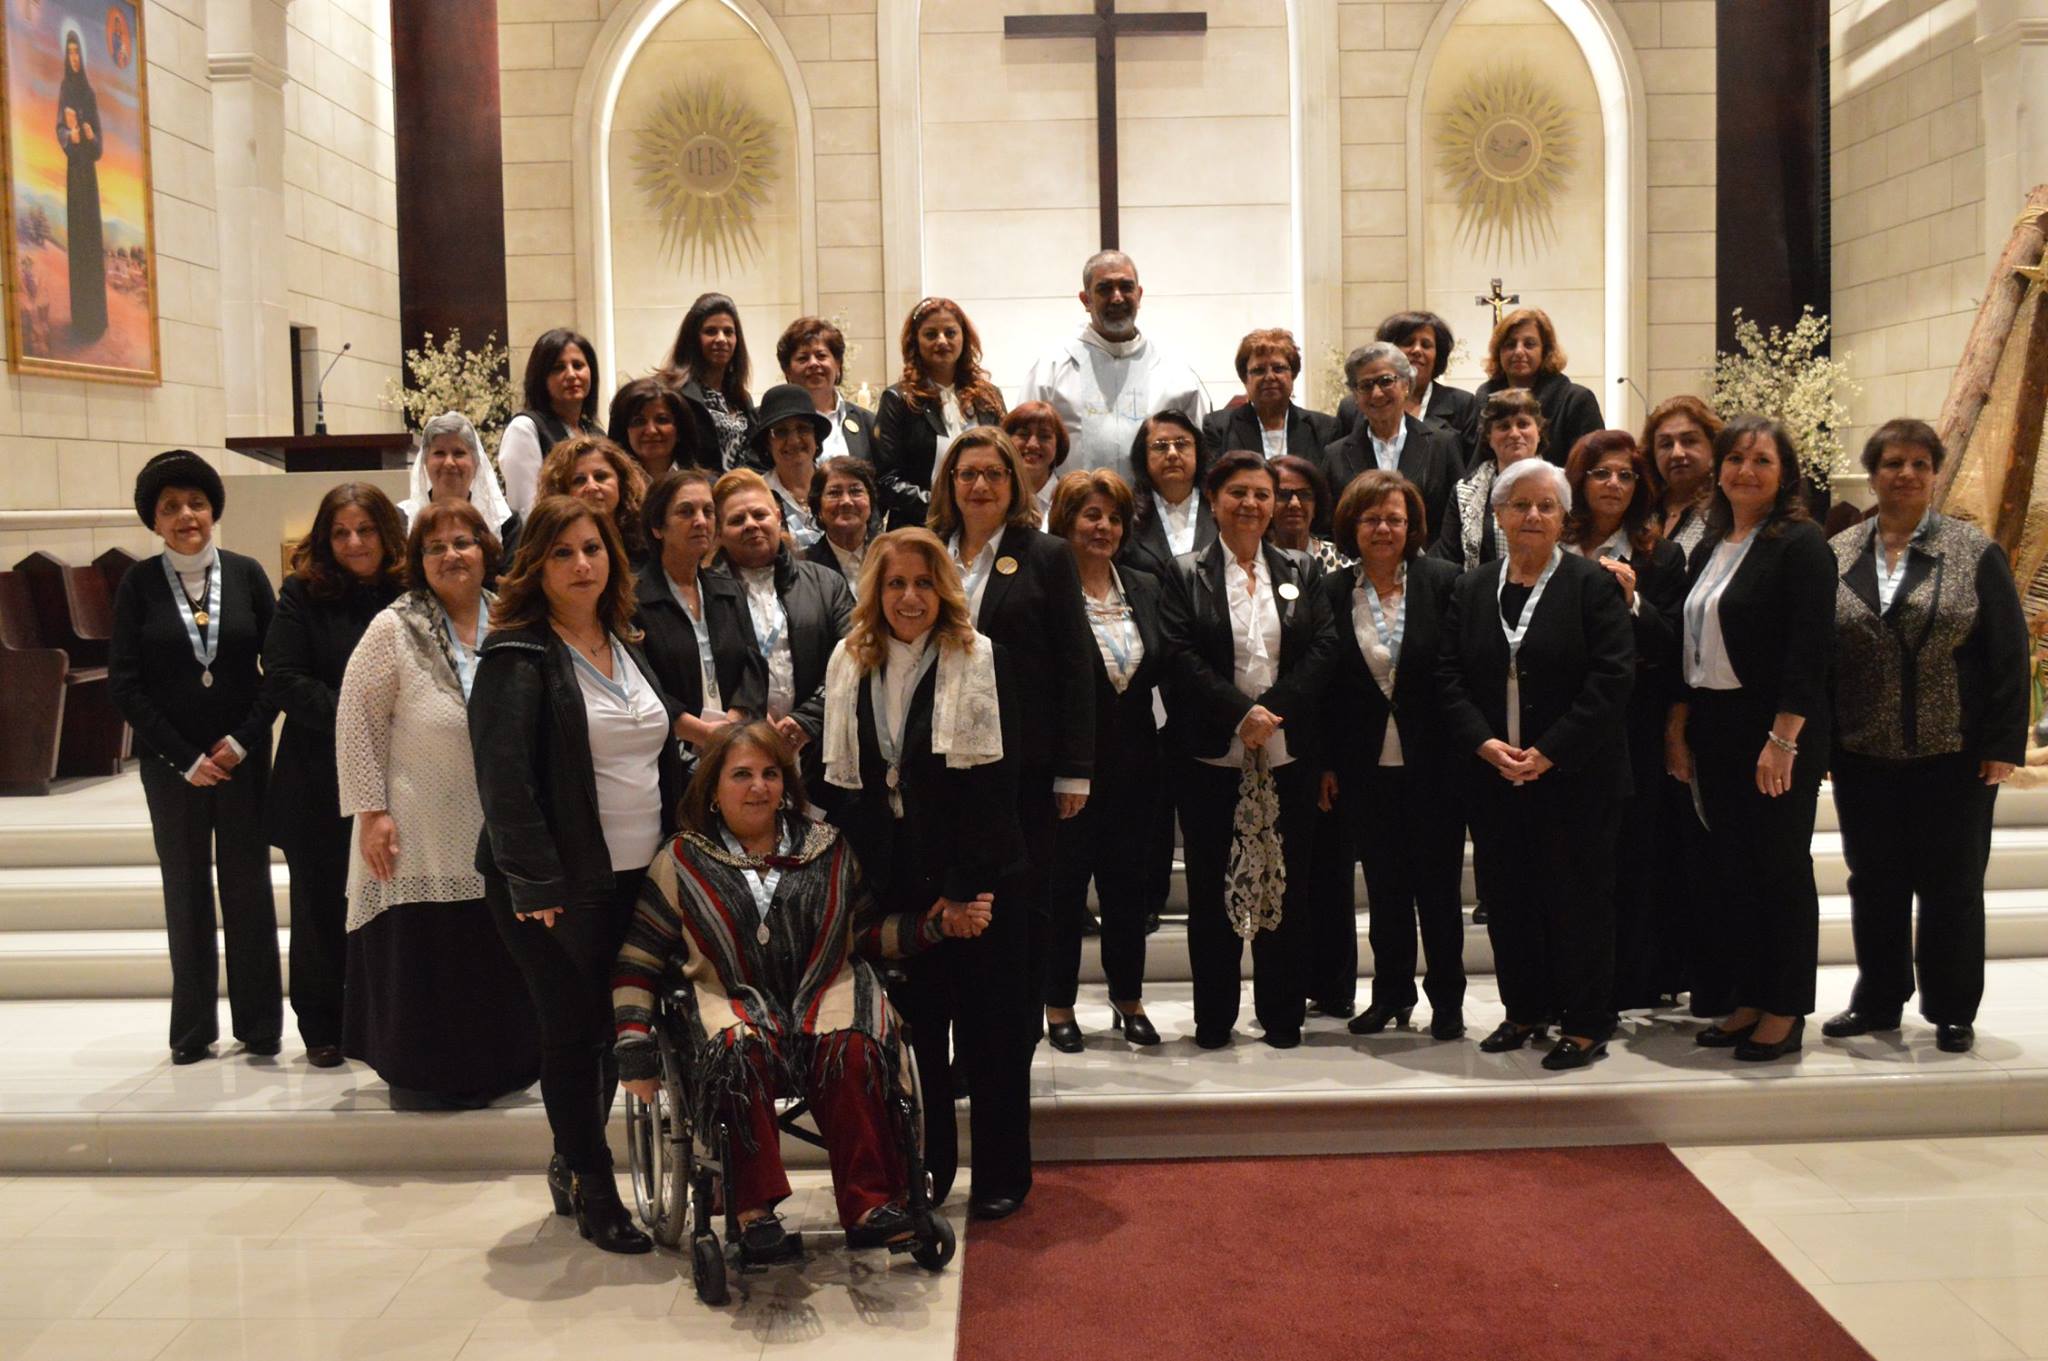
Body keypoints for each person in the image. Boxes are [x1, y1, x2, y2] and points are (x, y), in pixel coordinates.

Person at [617, 722, 990, 1255]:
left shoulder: (827, 848)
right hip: (733, 1002)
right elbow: (639, 959)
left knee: (856, 1048)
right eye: (741, 774)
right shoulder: (681, 860)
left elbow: (862, 932)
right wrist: (633, 1044)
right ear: (712, 789)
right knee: (736, 1053)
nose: (759, 787)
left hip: (824, 993)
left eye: (770, 774)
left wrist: (934, 926)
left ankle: (870, 1204)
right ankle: (752, 1212)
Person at [469, 495, 687, 1253]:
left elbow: (659, 736)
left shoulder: (628, 639)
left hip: (638, 873)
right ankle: (595, 1188)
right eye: (562, 553)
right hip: (555, 886)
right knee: (577, 1032)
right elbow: (502, 780)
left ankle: (572, 1160)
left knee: (614, 1024)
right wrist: (535, 884)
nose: (581, 564)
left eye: (592, 548)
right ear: (536, 565)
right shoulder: (517, 654)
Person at [822, 528, 1032, 1220]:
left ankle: (1002, 1172)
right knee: (915, 1039)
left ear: (942, 588)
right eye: (894, 584)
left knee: (990, 1034)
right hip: (895, 878)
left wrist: (963, 887)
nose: (908, 597)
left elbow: (997, 783)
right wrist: (873, 881)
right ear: (874, 591)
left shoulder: (978, 658)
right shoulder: (849, 661)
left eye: (921, 583)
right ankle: (931, 1168)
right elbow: (843, 784)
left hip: (973, 873)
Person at [1824, 419, 2028, 1055]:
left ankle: (1951, 1008)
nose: (1905, 475)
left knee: (1952, 886)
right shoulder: (1840, 552)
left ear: (1935, 474)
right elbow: (1826, 655)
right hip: (1865, 752)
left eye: (1918, 464)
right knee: (1874, 881)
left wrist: (2001, 744)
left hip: (1955, 753)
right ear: (1873, 473)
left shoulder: (1973, 551)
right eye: (1891, 463)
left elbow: (2008, 653)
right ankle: (1879, 1000)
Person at [335, 500, 541, 1108]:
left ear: (486, 549)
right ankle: (426, 1074)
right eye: (435, 547)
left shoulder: (513, 618)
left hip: (497, 816)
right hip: (418, 818)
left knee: (492, 943)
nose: (451, 555)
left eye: (463, 542)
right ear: (418, 561)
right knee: (432, 947)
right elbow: (356, 722)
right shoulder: (393, 627)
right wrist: (372, 812)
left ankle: (503, 1065)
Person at [1439, 458, 1633, 1070]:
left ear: (1563, 518)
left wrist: (1550, 751)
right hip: (1496, 777)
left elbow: (1612, 679)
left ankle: (1585, 1020)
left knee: (1578, 900)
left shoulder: (1591, 584)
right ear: (1497, 515)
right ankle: (1524, 1010)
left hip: (1576, 776)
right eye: (1519, 505)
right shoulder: (1471, 589)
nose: (1532, 516)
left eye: (1546, 506)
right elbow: (1446, 677)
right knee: (1510, 898)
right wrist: (1484, 744)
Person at [1665, 417, 1835, 1063]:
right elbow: (1692, 646)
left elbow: (1810, 651)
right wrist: (1679, 730)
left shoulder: (1800, 543)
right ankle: (1749, 996)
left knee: (1780, 869)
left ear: (1784, 473)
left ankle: (1785, 1008)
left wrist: (1784, 739)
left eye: (1761, 459)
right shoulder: (1713, 543)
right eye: (1735, 457)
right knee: (1734, 870)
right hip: (1717, 725)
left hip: (1774, 729)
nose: (1745, 470)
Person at [108, 451, 282, 1065]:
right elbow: (125, 684)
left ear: (214, 510)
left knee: (248, 887)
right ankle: (192, 1032)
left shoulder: (246, 574)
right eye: (171, 507)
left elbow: (278, 670)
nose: (187, 516)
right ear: (154, 521)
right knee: (185, 889)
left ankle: (260, 1026)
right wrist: (184, 757)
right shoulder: (138, 585)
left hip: (239, 757)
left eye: (197, 504)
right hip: (173, 765)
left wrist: (241, 741)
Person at [1159, 449, 1336, 1050]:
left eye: (1264, 494)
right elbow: (1177, 654)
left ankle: (1282, 1015)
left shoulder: (1301, 569)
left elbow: (1323, 650)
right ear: (1213, 501)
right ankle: (1214, 1019)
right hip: (1211, 758)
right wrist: (1241, 714)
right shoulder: (1184, 573)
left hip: (1287, 756)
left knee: (1283, 887)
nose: (1254, 505)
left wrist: (1272, 711)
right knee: (1214, 890)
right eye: (1239, 493)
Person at [930, 427, 1097, 1012]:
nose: (980, 485)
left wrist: (1075, 769)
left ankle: (1013, 1031)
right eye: (967, 473)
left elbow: (1077, 663)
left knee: (1018, 903)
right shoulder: (928, 548)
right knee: (949, 899)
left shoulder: (1046, 554)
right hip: (939, 758)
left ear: (1015, 483)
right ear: (949, 483)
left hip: (1023, 761)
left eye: (994, 474)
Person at [263, 483, 406, 1068]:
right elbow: (284, 678)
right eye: (341, 532)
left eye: (365, 530)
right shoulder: (301, 593)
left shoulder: (408, 591)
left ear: (385, 534)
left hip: (398, 774)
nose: (353, 542)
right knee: (321, 908)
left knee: (390, 900)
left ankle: (385, 1019)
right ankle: (322, 1025)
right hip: (318, 777)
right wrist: (359, 719)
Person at [1321, 471, 1466, 1040]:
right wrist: (1329, 763)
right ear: (1351, 525)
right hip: (1364, 765)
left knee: (1438, 891)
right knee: (1383, 891)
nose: (1383, 529)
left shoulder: (1447, 583)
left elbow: (1461, 674)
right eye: (1371, 518)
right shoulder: (1333, 591)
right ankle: (1391, 995)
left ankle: (1447, 1001)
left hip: (1437, 765)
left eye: (1395, 519)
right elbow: (1327, 687)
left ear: (1413, 527)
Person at [1563, 431, 1688, 1012]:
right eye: (1601, 473)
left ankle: (1630, 980)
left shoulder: (1660, 554)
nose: (1614, 484)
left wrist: (1636, 601)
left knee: (1633, 854)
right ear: (1579, 480)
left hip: (1632, 724)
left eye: (1626, 475)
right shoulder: (1551, 540)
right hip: (1558, 720)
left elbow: (1671, 647)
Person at [1041, 470, 1165, 1051]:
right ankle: (1058, 1004)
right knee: (1063, 893)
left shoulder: (1143, 585)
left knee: (1128, 892)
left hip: (1138, 769)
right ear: (1065, 523)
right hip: (1068, 773)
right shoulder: (1046, 590)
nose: (1104, 527)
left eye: (1114, 517)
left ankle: (1128, 997)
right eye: (1091, 515)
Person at [710, 468, 855, 789]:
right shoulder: (703, 593)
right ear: (718, 533)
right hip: (737, 753)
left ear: (777, 516)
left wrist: (807, 719)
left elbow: (855, 656)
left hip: (818, 749)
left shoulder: (826, 582)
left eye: (759, 514)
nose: (751, 524)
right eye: (736, 520)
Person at [1018, 251, 1210, 477]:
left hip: (1154, 510)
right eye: (1105, 288)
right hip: (1069, 507)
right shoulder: (1050, 369)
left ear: (1139, 295)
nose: (1117, 297)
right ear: (1086, 299)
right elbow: (1021, 446)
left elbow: (1202, 450)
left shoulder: (1175, 372)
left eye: (1126, 287)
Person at [632, 469, 758, 759]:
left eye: (708, 511)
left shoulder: (728, 589)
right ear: (657, 527)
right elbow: (641, 685)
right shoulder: (633, 598)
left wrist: (732, 726)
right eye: (686, 512)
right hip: (667, 752)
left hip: (732, 745)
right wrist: (702, 734)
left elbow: (753, 668)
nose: (701, 521)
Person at [874, 297, 1006, 529]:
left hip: (984, 524)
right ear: (915, 341)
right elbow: (886, 480)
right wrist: (945, 505)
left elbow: (1006, 462)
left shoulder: (988, 397)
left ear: (964, 338)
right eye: (931, 334)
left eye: (950, 333)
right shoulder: (898, 399)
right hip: (920, 526)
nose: (942, 341)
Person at [1320, 342, 1461, 539]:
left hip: (1428, 565)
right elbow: (1327, 525)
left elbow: (1457, 520)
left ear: (1406, 385)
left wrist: (1428, 567)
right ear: (1356, 396)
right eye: (1366, 385)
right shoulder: (1335, 455)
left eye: (1386, 381)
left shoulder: (1442, 444)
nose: (1376, 393)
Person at [1471, 308, 1602, 469]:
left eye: (1529, 344)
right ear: (1499, 352)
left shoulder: (1577, 400)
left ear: (1545, 351)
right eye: (1510, 344)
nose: (1519, 351)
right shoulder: (1484, 400)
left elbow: (1592, 467)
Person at [1434, 387, 1546, 570]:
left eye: (1523, 424)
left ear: (1539, 431)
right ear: (1488, 437)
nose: (1515, 434)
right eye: (1503, 426)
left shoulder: (1563, 485)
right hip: (1481, 594)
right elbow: (1449, 561)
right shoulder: (1464, 492)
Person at [398, 412, 520, 577]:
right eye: (439, 453)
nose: (449, 462)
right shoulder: (402, 520)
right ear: (425, 462)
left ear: (476, 462)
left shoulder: (505, 523)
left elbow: (509, 585)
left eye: (458, 453)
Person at [1337, 311, 1480, 450]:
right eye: (1408, 342)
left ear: (1438, 354)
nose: (1417, 350)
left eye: (1426, 345)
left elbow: (1469, 468)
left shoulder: (1462, 404)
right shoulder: (1351, 408)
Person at [499, 328, 602, 516]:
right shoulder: (525, 429)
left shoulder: (596, 433)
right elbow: (528, 512)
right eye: (558, 368)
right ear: (540, 378)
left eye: (578, 365)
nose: (571, 375)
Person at [1203, 329, 1339, 462]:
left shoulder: (1324, 428)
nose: (1269, 377)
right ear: (1245, 379)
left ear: (1293, 374)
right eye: (1259, 370)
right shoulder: (1220, 427)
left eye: (1278, 368)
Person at [662, 292, 756, 470]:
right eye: (710, 331)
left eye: (728, 332)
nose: (721, 339)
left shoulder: (742, 399)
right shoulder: (673, 393)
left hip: (737, 493)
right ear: (693, 339)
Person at [1120, 409, 1217, 580]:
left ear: (1197, 451)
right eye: (1160, 446)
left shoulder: (1219, 508)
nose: (1172, 453)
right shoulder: (1126, 514)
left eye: (1181, 444)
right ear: (1144, 456)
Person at [57, 29, 107, 341]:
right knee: (78, 243)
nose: (74, 58)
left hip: (88, 175)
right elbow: (59, 129)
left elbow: (100, 147)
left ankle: (97, 318)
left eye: (78, 52)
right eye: (70, 52)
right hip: (73, 174)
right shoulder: (64, 89)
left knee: (92, 242)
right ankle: (81, 318)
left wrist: (89, 135)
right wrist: (69, 136)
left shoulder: (88, 93)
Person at [778, 315, 877, 463]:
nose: (813, 363)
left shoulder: (867, 422)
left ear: (838, 364)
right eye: (803, 358)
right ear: (787, 371)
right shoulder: (772, 423)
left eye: (821, 355)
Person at [538, 432, 649, 564]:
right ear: (562, 492)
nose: (592, 487)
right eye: (579, 480)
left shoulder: (648, 542)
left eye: (601, 477)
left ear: (621, 482)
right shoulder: (547, 550)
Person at [749, 383, 830, 549]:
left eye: (803, 429)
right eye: (781, 432)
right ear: (767, 442)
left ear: (816, 436)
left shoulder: (836, 485)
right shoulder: (757, 495)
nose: (794, 441)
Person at [1644, 395, 1725, 557]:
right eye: (1666, 444)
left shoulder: (1726, 509)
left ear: (1714, 445)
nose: (1677, 453)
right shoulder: (1642, 509)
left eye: (1689, 441)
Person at [605, 375, 703, 482]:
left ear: (679, 429)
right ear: (624, 432)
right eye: (639, 422)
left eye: (662, 420)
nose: (651, 430)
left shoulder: (706, 486)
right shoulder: (613, 489)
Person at [805, 456, 880, 582]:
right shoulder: (806, 566)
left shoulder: (891, 554)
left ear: (870, 501)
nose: (846, 501)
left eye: (855, 491)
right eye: (834, 493)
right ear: (818, 507)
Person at [1268, 456, 1345, 571]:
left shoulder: (1340, 562)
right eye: (1283, 495)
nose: (1295, 503)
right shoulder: (1256, 561)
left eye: (1304, 495)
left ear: (1316, 505)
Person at [1003, 401, 1072, 528]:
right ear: (1006, 439)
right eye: (1023, 434)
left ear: (1058, 445)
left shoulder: (1072, 501)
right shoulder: (995, 498)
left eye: (1044, 436)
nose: (1033, 444)